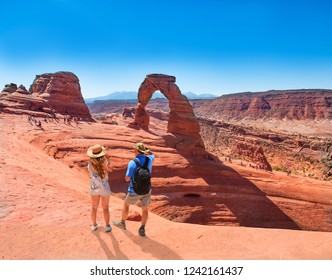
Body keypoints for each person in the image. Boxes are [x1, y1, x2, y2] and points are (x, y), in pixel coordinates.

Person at [113, 142, 155, 236]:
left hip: (134, 190)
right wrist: (147, 149)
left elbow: (127, 178)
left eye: (134, 149)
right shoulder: (150, 159)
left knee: (126, 205)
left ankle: (122, 223)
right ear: (143, 151)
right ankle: (142, 228)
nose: (133, 150)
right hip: (147, 189)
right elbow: (152, 154)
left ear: (137, 151)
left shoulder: (132, 162)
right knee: (144, 209)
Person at [87, 144, 113, 232]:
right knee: (105, 207)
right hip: (104, 185)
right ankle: (107, 226)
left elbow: (90, 173)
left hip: (94, 186)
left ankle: (94, 225)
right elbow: (110, 169)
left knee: (94, 207)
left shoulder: (90, 163)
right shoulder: (104, 162)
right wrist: (108, 161)